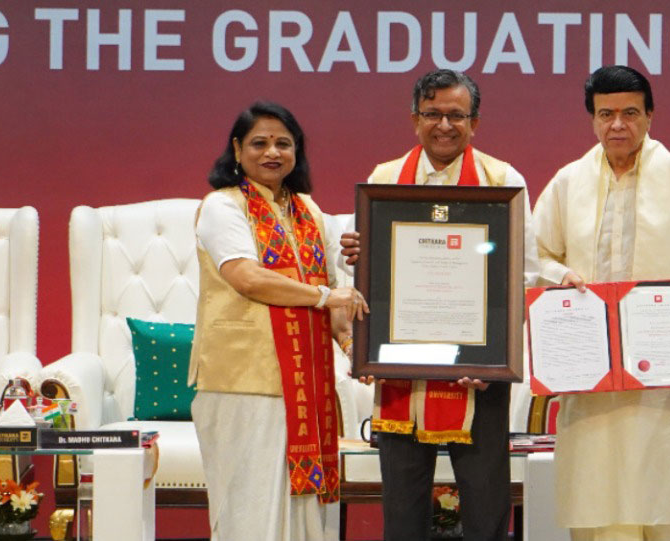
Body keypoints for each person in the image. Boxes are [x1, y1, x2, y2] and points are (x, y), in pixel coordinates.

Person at [532, 65, 670, 540]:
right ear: (592, 119)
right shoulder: (568, 183)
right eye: (606, 114)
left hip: (663, 390)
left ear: (650, 116)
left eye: (630, 113)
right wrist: (561, 275)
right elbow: (532, 256)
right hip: (592, 390)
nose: (617, 125)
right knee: (600, 514)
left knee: (667, 513)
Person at [339, 69, 539, 541]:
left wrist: (493, 356)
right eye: (432, 114)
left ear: (475, 122)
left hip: (481, 370)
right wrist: (355, 255)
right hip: (402, 366)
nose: (444, 125)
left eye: (456, 115)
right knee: (403, 506)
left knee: (485, 501)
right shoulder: (385, 180)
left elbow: (524, 274)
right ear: (414, 119)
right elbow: (366, 275)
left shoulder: (502, 180)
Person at [191, 101, 368, 540]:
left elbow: (332, 288)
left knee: (302, 510)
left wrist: (352, 348)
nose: (272, 152)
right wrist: (324, 296)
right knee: (250, 507)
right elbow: (247, 278)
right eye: (259, 143)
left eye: (283, 144)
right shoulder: (222, 206)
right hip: (243, 383)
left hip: (305, 383)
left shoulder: (307, 209)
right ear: (237, 149)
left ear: (297, 152)